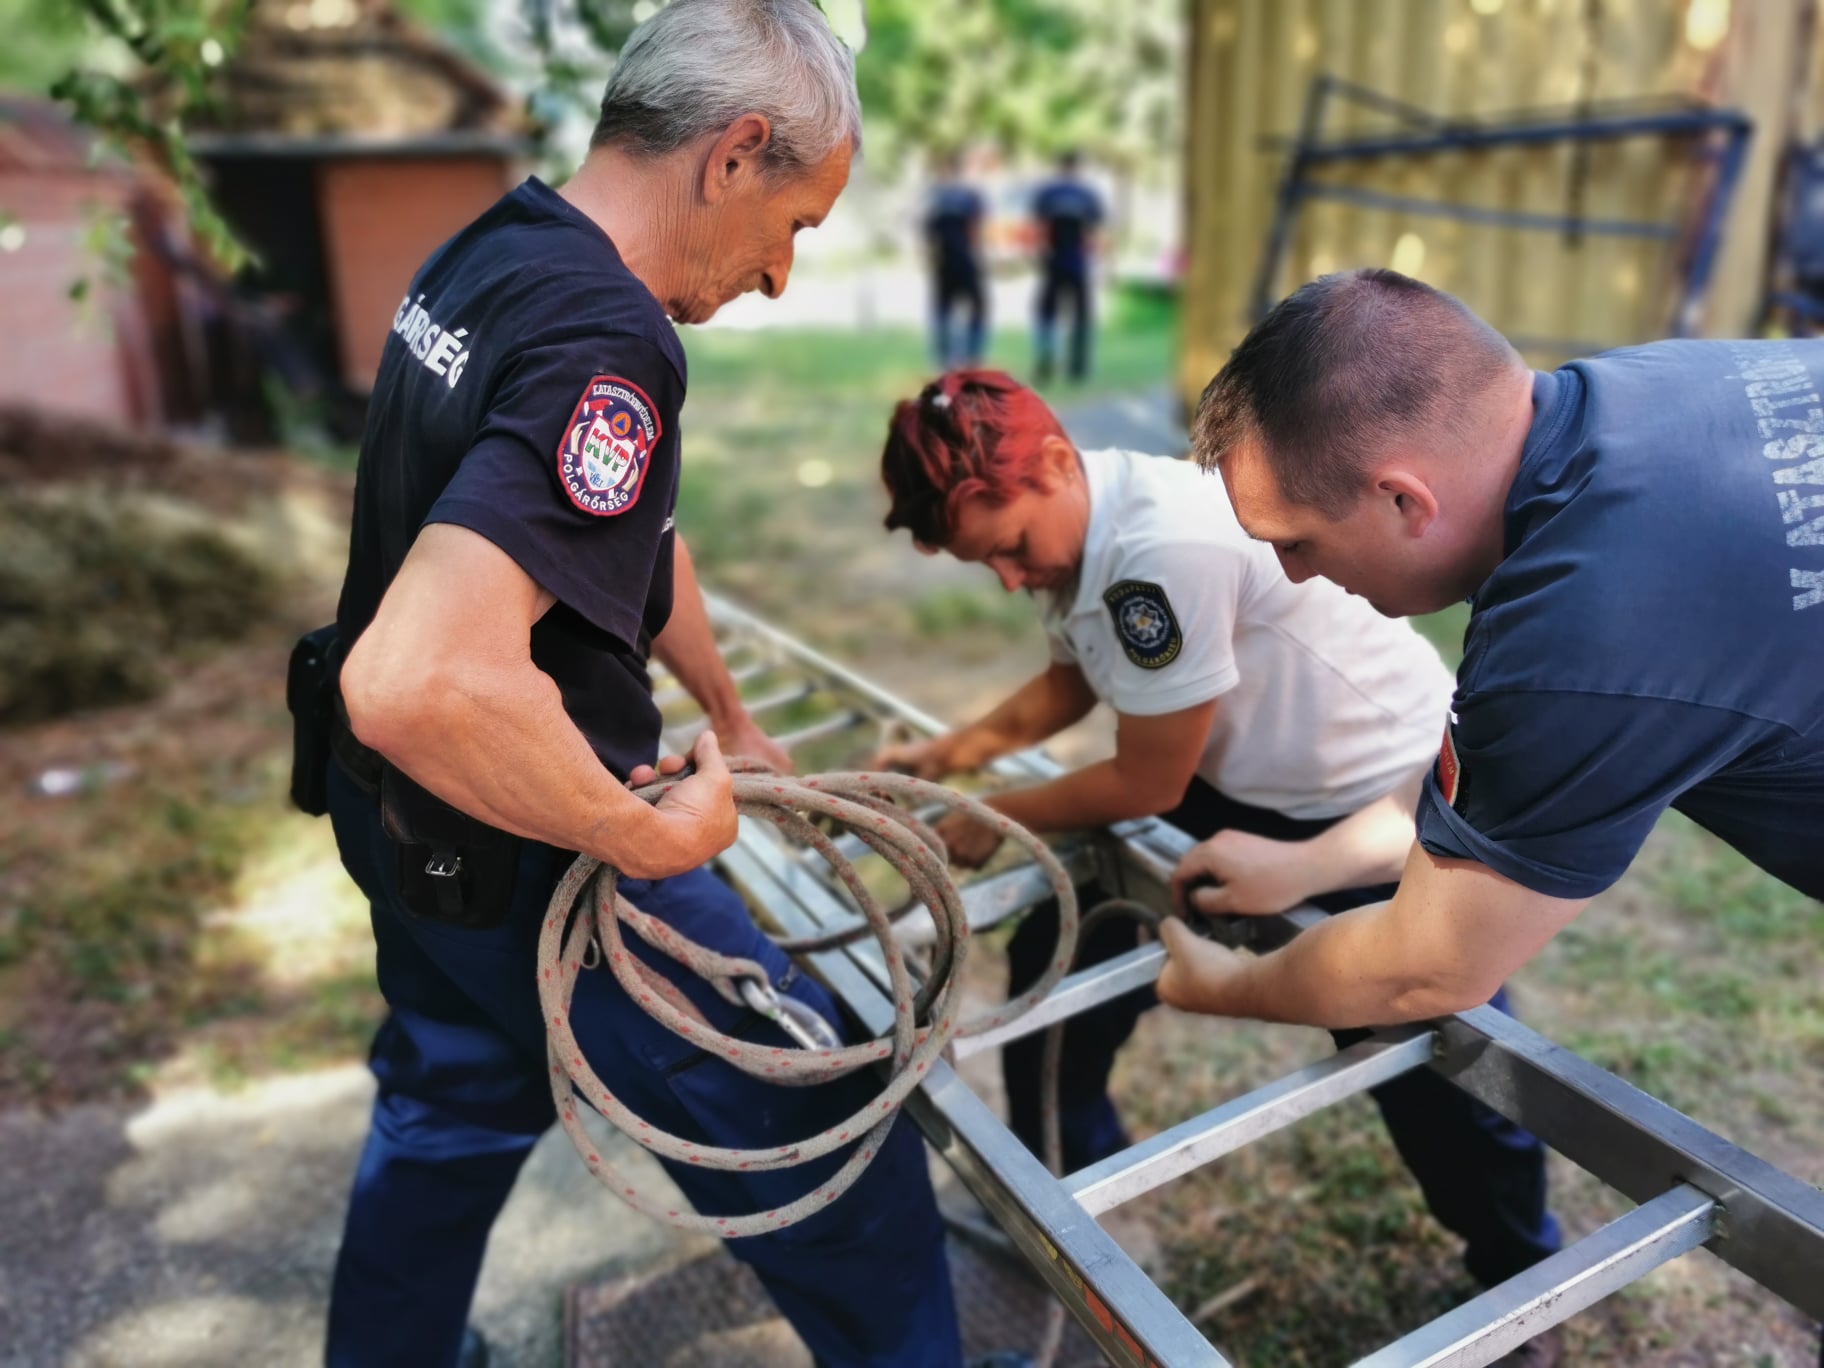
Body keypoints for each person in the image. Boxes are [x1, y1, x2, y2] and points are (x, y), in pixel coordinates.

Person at [315, 4, 969, 1365]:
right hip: (543, 855)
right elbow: (414, 676)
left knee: (449, 1112)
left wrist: (729, 717)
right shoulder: (607, 340)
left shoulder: (493, 251)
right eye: (795, 224)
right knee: (832, 1139)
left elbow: (623, 536)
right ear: (734, 155)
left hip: (406, 835)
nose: (783, 276)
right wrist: (639, 831)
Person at [1169, 267, 1824, 1365]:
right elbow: (1501, 791)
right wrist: (1302, 869)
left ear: (1401, 500)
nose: (1285, 573)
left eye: (1293, 540)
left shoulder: (1581, 632)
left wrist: (1223, 984)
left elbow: (1421, 970)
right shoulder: (1649, 394)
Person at [873, 369, 1565, 1336]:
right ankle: (1068, 1186)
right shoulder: (1082, 519)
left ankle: (1524, 1281)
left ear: (1056, 467)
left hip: (1376, 792)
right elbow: (1068, 682)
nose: (1009, 578)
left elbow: (1148, 782)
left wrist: (995, 810)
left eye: (1012, 550)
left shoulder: (1155, 546)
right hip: (1242, 774)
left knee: (1438, 1061)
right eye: (987, 564)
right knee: (1059, 951)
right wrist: (956, 754)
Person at [1029, 150, 1104, 384]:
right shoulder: (1086, 194)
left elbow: (1040, 228)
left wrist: (1040, 252)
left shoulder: (1048, 193)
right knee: (1080, 313)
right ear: (1077, 166)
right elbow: (1094, 232)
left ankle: (1045, 363)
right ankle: (1077, 367)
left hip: (1053, 260)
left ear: (1061, 166)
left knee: (1047, 312)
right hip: (1077, 263)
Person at [925, 150, 988, 368]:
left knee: (943, 309)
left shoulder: (935, 196)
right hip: (965, 259)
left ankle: (944, 358)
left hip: (943, 262)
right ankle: (972, 355)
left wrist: (934, 258)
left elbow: (929, 234)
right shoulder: (970, 196)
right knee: (978, 305)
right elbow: (975, 231)